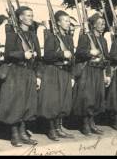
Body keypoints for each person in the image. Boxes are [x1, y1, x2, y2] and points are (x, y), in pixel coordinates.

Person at [0, 6, 41, 147]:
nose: (30, 18)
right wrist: (23, 54)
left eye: (31, 15)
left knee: (28, 104)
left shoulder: (33, 35)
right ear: (20, 17)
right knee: (16, 103)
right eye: (27, 15)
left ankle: (23, 132)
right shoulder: (13, 34)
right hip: (16, 72)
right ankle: (14, 134)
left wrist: (37, 75)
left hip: (29, 72)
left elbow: (38, 57)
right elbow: (8, 53)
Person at [38, 10, 75, 141]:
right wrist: (61, 54)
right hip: (53, 71)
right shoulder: (51, 37)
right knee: (53, 101)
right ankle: (51, 129)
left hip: (65, 72)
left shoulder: (69, 38)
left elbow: (72, 57)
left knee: (63, 101)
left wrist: (72, 75)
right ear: (58, 23)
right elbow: (47, 56)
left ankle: (59, 127)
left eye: (69, 20)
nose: (68, 23)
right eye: (65, 20)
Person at [73, 13, 110, 135]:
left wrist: (106, 74)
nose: (102, 26)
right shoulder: (85, 37)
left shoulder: (103, 40)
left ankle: (92, 123)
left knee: (96, 98)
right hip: (88, 71)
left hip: (99, 71)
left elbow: (106, 58)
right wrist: (90, 52)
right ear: (93, 25)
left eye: (104, 23)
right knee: (87, 98)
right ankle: (85, 125)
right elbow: (79, 53)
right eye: (99, 23)